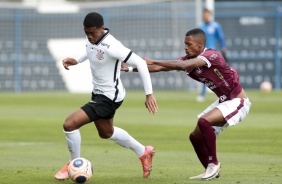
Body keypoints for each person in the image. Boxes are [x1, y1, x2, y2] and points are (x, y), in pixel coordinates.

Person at [122, 28, 251, 180]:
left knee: (204, 122)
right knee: (195, 137)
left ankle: (214, 164)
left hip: (238, 101)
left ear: (200, 44)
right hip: (224, 100)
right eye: (185, 44)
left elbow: (180, 66)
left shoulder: (211, 55)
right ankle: (210, 171)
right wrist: (130, 69)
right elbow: (161, 68)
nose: (186, 47)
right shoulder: (188, 60)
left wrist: (153, 60)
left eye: (189, 44)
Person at [54, 12, 158, 180]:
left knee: (70, 124)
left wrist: (149, 94)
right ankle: (143, 152)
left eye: (92, 33)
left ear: (102, 29)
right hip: (99, 93)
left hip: (109, 97)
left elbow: (140, 62)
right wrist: (76, 60)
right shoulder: (93, 40)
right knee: (106, 132)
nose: (89, 36)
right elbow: (89, 50)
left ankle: (72, 164)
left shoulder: (113, 45)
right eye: (86, 33)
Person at [197, 8, 227, 102]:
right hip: (203, 54)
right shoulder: (200, 26)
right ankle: (202, 94)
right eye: (204, 15)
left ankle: (223, 92)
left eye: (207, 14)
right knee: (203, 73)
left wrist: (223, 48)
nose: (206, 16)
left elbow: (221, 38)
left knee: (217, 73)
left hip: (213, 53)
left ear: (210, 15)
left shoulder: (215, 26)